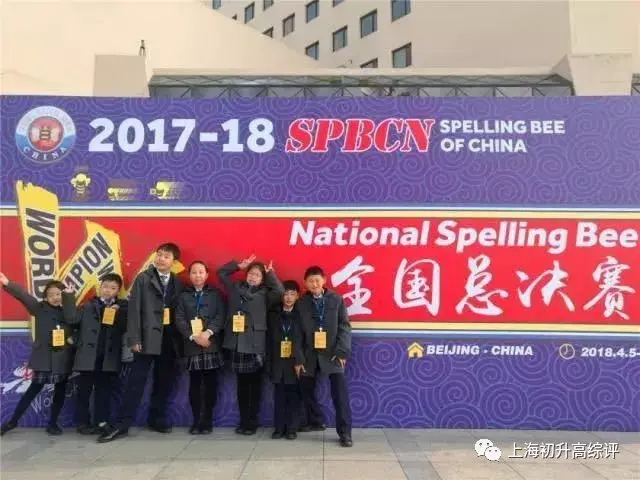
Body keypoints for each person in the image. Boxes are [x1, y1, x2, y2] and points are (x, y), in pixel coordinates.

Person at [98, 243, 184, 443]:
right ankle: (122, 424)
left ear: (174, 261)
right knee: (135, 383)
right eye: (159, 255)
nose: (161, 259)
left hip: (168, 339)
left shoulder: (177, 282)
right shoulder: (144, 278)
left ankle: (156, 419)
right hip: (146, 338)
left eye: (166, 256)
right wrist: (134, 339)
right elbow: (134, 310)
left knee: (164, 381)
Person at [0, 273, 74, 436]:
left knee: (60, 392)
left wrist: (72, 338)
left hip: (62, 358)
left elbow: (77, 324)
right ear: (46, 297)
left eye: (59, 294)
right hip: (44, 359)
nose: (55, 297)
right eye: (51, 295)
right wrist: (7, 283)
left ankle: (52, 424)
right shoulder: (39, 309)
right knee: (32, 391)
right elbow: (23, 296)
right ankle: (12, 422)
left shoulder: (69, 312)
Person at [218, 254, 284, 436]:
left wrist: (270, 274)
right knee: (241, 385)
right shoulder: (235, 287)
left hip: (255, 345)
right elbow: (221, 273)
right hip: (237, 343)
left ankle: (252, 422)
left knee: (254, 385)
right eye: (251, 273)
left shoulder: (265, 294)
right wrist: (238, 266)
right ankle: (243, 421)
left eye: (257, 275)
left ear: (262, 279)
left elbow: (280, 292)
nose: (253, 277)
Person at [294, 266, 353, 447]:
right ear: (305, 283)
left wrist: (341, 351)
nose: (314, 284)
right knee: (305, 390)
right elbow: (297, 333)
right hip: (309, 355)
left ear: (324, 280)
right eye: (310, 281)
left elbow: (344, 326)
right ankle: (315, 420)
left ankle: (345, 432)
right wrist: (298, 358)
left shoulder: (336, 299)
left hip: (332, 354)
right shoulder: (301, 303)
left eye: (317, 280)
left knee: (339, 395)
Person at [62, 273, 128, 435]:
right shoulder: (88, 305)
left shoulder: (123, 307)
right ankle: (82, 423)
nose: (108, 290)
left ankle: (101, 422)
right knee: (84, 391)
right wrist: (68, 297)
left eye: (113, 288)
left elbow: (126, 326)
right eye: (105, 286)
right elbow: (72, 319)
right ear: (100, 287)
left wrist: (119, 312)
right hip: (88, 357)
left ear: (118, 291)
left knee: (103, 392)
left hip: (108, 358)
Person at [174, 261, 225, 435]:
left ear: (207, 274)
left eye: (201, 272)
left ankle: (207, 421)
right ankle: (196, 421)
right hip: (192, 345)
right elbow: (179, 319)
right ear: (189, 275)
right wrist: (193, 336)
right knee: (194, 385)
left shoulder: (215, 294)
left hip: (211, 344)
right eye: (194, 272)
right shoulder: (183, 296)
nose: (197, 275)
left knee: (211, 385)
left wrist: (208, 333)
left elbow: (220, 316)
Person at [266, 280, 302, 440]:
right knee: (279, 396)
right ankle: (279, 428)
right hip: (277, 361)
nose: (288, 297)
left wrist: (300, 360)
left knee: (293, 396)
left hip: (294, 361)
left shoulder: (301, 315)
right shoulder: (273, 314)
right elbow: (268, 340)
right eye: (285, 294)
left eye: (292, 294)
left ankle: (292, 428)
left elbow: (304, 340)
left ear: (297, 296)